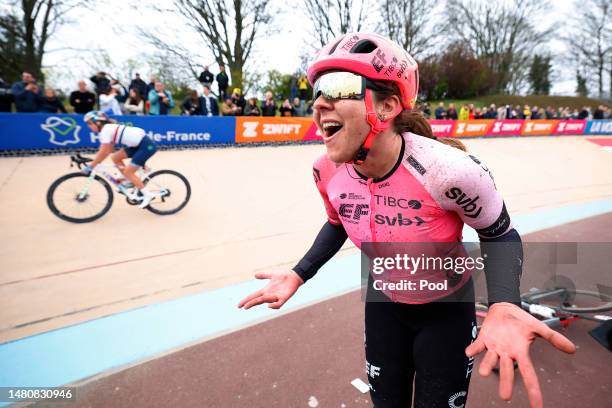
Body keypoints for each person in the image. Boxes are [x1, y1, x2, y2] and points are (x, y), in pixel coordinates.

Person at [238, 32, 576, 408]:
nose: (319, 102)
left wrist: (504, 302)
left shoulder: (449, 171)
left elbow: (498, 233)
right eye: (317, 89)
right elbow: (337, 222)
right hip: (384, 309)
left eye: (338, 87)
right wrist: (301, 272)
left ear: (387, 106)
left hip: (446, 314)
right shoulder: (325, 171)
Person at [82, 111, 159, 209]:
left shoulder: (105, 130)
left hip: (146, 146)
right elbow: (108, 150)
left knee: (128, 172)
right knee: (115, 157)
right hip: (138, 145)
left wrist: (92, 165)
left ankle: (148, 195)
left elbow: (104, 151)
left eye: (89, 123)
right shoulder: (106, 129)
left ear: (98, 122)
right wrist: (95, 162)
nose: (89, 126)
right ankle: (129, 180)